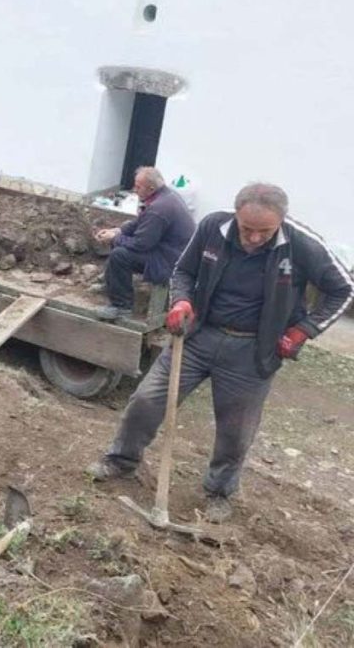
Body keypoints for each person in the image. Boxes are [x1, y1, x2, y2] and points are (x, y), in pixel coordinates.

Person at [87, 183, 354, 522]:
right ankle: (120, 461)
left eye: (265, 232)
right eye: (247, 229)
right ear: (236, 213)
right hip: (198, 337)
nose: (254, 238)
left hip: (252, 351)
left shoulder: (301, 244)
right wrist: (181, 300)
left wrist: (303, 331)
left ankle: (218, 492)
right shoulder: (214, 227)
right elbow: (183, 270)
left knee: (236, 429)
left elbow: (344, 289)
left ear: (282, 221)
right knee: (147, 400)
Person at [93, 166, 196, 321]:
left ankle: (121, 307)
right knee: (122, 239)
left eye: (138, 186)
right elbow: (139, 222)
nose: (134, 189)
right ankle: (113, 284)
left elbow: (141, 244)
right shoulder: (165, 197)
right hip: (169, 250)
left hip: (170, 261)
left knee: (120, 255)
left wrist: (113, 239)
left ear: (151, 188)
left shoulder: (159, 209)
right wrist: (117, 231)